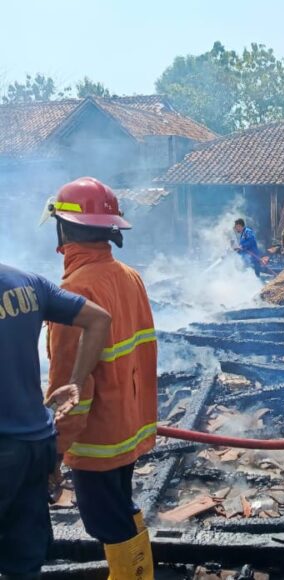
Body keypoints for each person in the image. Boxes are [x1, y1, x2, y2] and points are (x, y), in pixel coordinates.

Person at [44, 177, 158, 578]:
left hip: (97, 439)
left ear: (63, 229)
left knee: (105, 522)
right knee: (120, 509)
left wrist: (54, 450)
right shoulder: (129, 275)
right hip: (127, 425)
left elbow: (70, 387)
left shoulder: (75, 291)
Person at [0, 263, 110, 578]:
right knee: (23, 562)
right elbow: (99, 319)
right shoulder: (28, 282)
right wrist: (77, 379)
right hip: (35, 442)